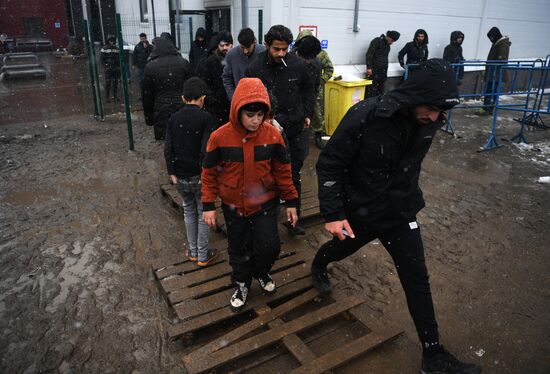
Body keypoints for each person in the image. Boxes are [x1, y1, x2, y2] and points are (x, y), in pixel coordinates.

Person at [310, 59, 481, 374]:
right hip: (361, 211)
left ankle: (433, 356)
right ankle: (319, 265)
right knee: (340, 249)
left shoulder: (430, 120)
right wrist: (333, 214)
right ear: (414, 96)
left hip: (401, 212)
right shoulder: (366, 115)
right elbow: (330, 163)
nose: (435, 119)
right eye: (431, 109)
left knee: (417, 278)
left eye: (441, 113)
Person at [201, 77, 299, 312]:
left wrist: (292, 201)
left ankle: (261, 271)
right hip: (233, 205)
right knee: (238, 247)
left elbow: (284, 171)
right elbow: (208, 173)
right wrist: (208, 205)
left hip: (265, 203)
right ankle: (242, 282)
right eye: (250, 115)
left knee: (270, 244)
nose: (255, 121)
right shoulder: (219, 137)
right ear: (237, 111)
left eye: (260, 115)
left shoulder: (273, 136)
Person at [246, 25, 316, 236]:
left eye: (284, 49)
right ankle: (266, 220)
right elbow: (247, 96)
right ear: (267, 45)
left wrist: (307, 113)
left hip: (294, 128)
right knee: (265, 175)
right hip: (265, 129)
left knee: (293, 173)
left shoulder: (298, 65)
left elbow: (309, 90)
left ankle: (294, 220)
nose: (281, 54)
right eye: (276, 49)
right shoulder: (255, 68)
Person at [165, 77, 217, 266]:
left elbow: (168, 147)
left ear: (183, 98)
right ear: (202, 98)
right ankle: (203, 255)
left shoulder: (173, 118)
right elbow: (207, 148)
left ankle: (193, 251)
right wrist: (207, 172)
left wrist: (172, 172)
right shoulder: (206, 118)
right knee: (204, 212)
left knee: (188, 211)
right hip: (200, 176)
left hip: (180, 176)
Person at [142, 34, 192, 140]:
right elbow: (192, 86)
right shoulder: (183, 63)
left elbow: (147, 95)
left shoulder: (150, 67)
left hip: (161, 109)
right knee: (185, 137)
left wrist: (149, 117)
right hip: (182, 106)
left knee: (166, 139)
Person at [294, 29, 334, 149]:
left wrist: (321, 80)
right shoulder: (294, 53)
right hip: (298, 89)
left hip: (314, 89)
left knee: (316, 113)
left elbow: (329, 69)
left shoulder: (320, 54)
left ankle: (318, 134)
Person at [196, 31, 233, 128]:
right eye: (222, 45)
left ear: (231, 45)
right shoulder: (210, 62)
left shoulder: (236, 60)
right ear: (217, 46)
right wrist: (213, 100)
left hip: (232, 104)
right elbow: (205, 84)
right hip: (216, 108)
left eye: (227, 45)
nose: (225, 48)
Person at [222, 27, 266, 101]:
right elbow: (227, 78)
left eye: (248, 47)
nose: (245, 51)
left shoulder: (264, 52)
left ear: (254, 42)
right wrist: (233, 98)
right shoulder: (231, 55)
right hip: (239, 99)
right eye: (242, 47)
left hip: (261, 98)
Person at [480, 27, 511, 115]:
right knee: (489, 91)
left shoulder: (502, 45)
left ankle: (487, 109)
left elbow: (502, 59)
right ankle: (488, 108)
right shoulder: (497, 43)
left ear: (496, 35)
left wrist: (492, 67)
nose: (491, 40)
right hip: (492, 72)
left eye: (492, 37)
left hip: (495, 73)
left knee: (491, 91)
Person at [365, 30, 400, 98]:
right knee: (372, 90)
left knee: (381, 89)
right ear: (388, 37)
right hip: (374, 70)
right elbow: (369, 54)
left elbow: (384, 58)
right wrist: (369, 68)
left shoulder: (387, 46)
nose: (392, 43)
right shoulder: (377, 41)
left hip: (383, 71)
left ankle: (378, 103)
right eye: (392, 40)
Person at [100, 35, 120, 103]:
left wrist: (118, 66)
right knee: (108, 82)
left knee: (115, 82)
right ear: (108, 41)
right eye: (110, 41)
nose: (111, 42)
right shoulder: (104, 48)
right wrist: (105, 66)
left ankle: (115, 96)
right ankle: (107, 97)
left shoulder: (116, 49)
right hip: (108, 68)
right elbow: (102, 59)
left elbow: (118, 58)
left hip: (115, 68)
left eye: (113, 41)